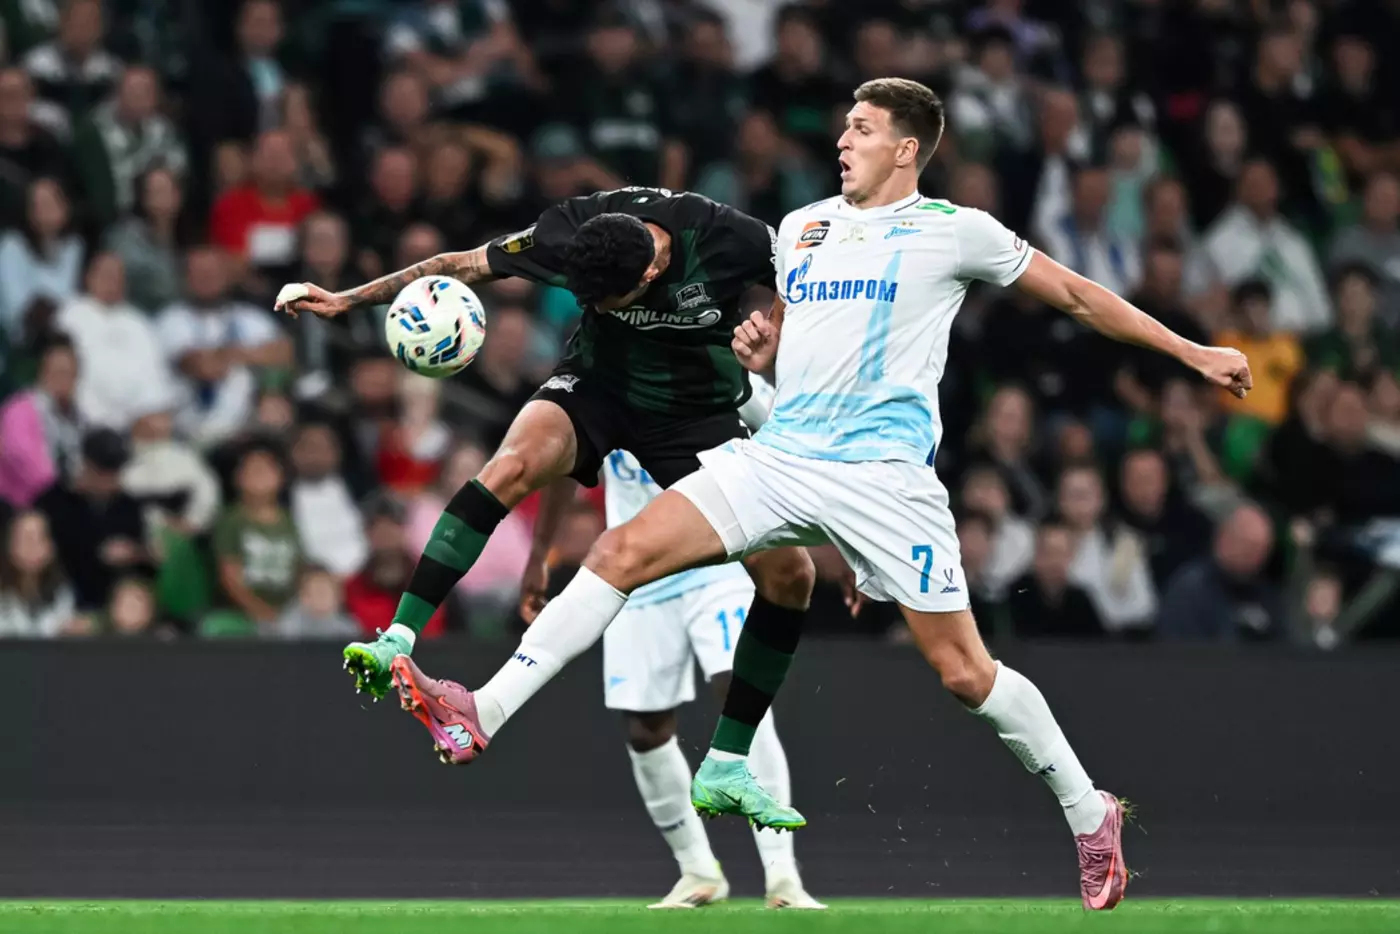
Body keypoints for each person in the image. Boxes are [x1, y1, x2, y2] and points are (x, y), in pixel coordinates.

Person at [378, 78, 1253, 910]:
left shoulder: (957, 231)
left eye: (861, 129)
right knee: (621, 550)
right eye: (843, 126)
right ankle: (485, 709)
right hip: (786, 455)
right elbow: (798, 333)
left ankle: (1088, 812)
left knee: (964, 674)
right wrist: (768, 349)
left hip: (885, 480)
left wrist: (1193, 352)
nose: (842, 140)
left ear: (906, 149)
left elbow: (1077, 297)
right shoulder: (802, 229)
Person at [275, 187, 816, 705]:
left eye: (607, 301)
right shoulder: (573, 228)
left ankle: (729, 755)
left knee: (789, 572)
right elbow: (463, 264)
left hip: (694, 411)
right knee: (510, 465)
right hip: (596, 387)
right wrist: (347, 300)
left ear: (649, 273)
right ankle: (397, 637)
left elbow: (805, 271)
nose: (594, 307)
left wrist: (775, 331)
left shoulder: (724, 234)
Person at [598, 375, 820, 910]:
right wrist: (539, 557)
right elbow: (565, 467)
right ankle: (698, 870)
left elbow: (794, 440)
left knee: (737, 689)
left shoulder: (717, 366)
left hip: (718, 554)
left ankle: (782, 875)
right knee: (645, 727)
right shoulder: (601, 376)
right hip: (641, 569)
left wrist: (833, 538)